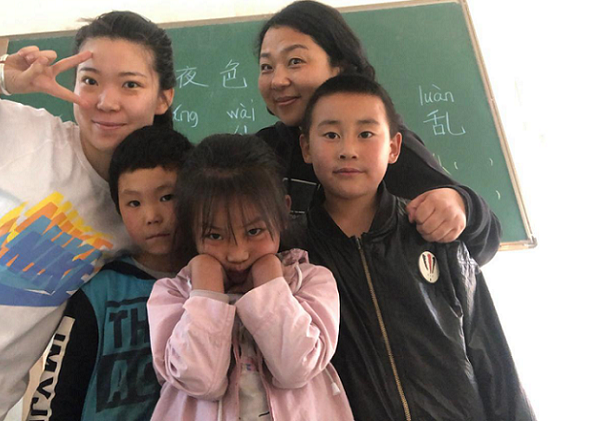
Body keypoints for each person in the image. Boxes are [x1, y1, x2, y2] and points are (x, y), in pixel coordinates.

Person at [0, 11, 177, 420]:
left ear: (163, 98)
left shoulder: (149, 208)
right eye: (90, 81)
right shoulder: (23, 136)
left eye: (130, 84)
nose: (106, 102)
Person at [299, 74, 535, 421]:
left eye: (366, 134)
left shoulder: (434, 236)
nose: (348, 149)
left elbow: (494, 361)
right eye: (331, 135)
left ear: (394, 147)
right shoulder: (295, 253)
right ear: (306, 147)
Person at [255, 0, 500, 264]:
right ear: (306, 148)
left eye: (295, 61)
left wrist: (461, 205)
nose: (277, 81)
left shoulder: (379, 148)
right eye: (266, 67)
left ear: (340, 67)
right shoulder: (259, 154)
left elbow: (482, 242)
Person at [146, 134, 354, 421]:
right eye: (214, 235)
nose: (237, 253)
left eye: (254, 231)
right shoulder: (171, 294)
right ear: (190, 228)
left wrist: (270, 283)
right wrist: (206, 292)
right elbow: (200, 381)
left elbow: (296, 370)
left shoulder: (311, 282)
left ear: (282, 212)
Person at [26, 125, 193, 421]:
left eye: (167, 197)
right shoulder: (100, 290)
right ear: (117, 207)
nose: (151, 216)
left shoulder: (214, 286)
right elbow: (56, 396)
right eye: (134, 203)